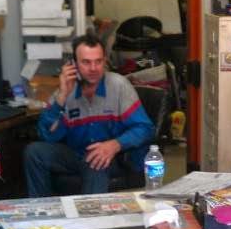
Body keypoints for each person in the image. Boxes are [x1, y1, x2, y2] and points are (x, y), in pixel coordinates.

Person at [24, 34, 155, 197]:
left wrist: (114, 145)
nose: (93, 68)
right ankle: (41, 210)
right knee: (34, 152)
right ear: (73, 64)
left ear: (105, 61)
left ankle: (91, 212)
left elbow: (145, 128)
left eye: (98, 61)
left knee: (96, 160)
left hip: (113, 157)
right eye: (86, 62)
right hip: (76, 154)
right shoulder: (66, 90)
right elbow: (47, 136)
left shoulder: (119, 85)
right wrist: (62, 97)